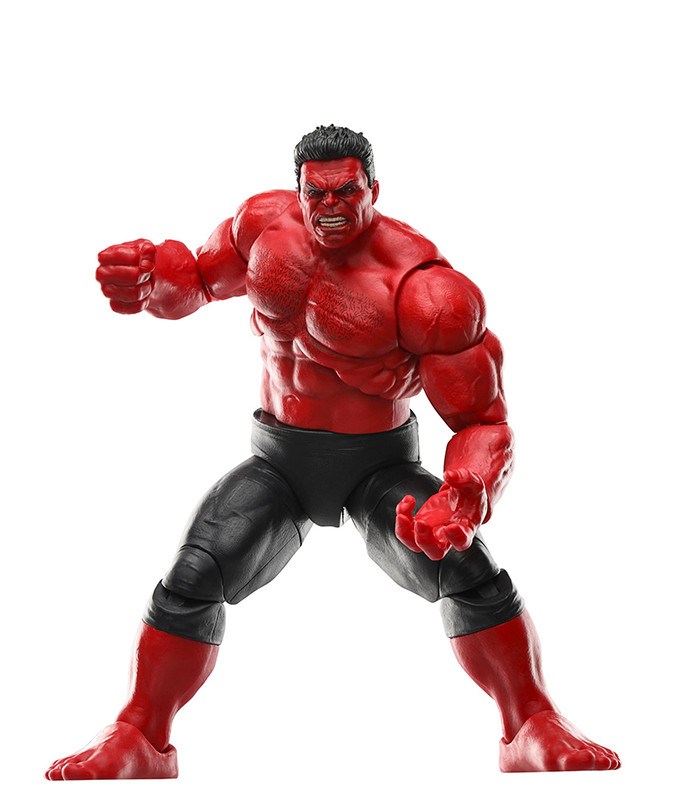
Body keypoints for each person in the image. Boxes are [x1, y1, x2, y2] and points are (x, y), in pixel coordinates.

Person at [45, 125, 620, 779]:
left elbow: (485, 422)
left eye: (346, 191)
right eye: (316, 193)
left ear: (373, 189)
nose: (330, 206)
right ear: (298, 189)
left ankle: (529, 724)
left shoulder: (425, 290)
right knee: (193, 574)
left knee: (468, 569)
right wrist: (152, 283)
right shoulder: (263, 228)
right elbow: (199, 279)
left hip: (378, 464)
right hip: (279, 458)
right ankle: (142, 738)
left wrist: (465, 493)